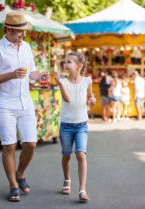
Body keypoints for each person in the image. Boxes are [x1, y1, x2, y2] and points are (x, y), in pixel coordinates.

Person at [0, 12, 49, 202]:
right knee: (9, 146)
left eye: (24, 30)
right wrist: (10, 75)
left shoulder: (27, 47)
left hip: (25, 101)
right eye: (20, 31)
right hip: (4, 103)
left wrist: (39, 76)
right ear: (9, 29)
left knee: (31, 144)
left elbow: (31, 72)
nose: (23, 34)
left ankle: (20, 173)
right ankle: (13, 184)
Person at [55, 52, 95, 202]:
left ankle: (82, 189)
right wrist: (59, 83)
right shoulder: (63, 82)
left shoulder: (87, 81)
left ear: (79, 66)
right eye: (65, 62)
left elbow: (90, 96)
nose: (65, 64)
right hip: (66, 125)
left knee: (80, 154)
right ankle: (67, 179)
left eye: (69, 62)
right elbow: (68, 99)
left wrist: (92, 100)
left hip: (81, 125)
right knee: (66, 155)